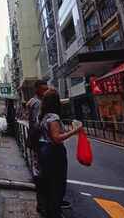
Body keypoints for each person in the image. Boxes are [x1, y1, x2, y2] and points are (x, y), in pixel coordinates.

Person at [38, 89, 83, 218]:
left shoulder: (44, 116)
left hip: (45, 150)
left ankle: (50, 211)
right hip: (54, 152)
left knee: (49, 182)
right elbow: (56, 138)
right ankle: (54, 213)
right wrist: (75, 130)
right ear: (55, 102)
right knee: (57, 184)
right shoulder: (53, 117)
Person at [26, 80, 48, 214]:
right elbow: (36, 123)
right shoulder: (38, 103)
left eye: (47, 89)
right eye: (43, 89)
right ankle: (42, 204)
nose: (46, 91)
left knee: (39, 170)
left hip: (37, 140)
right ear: (37, 90)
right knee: (41, 172)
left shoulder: (33, 101)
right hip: (40, 141)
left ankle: (42, 203)